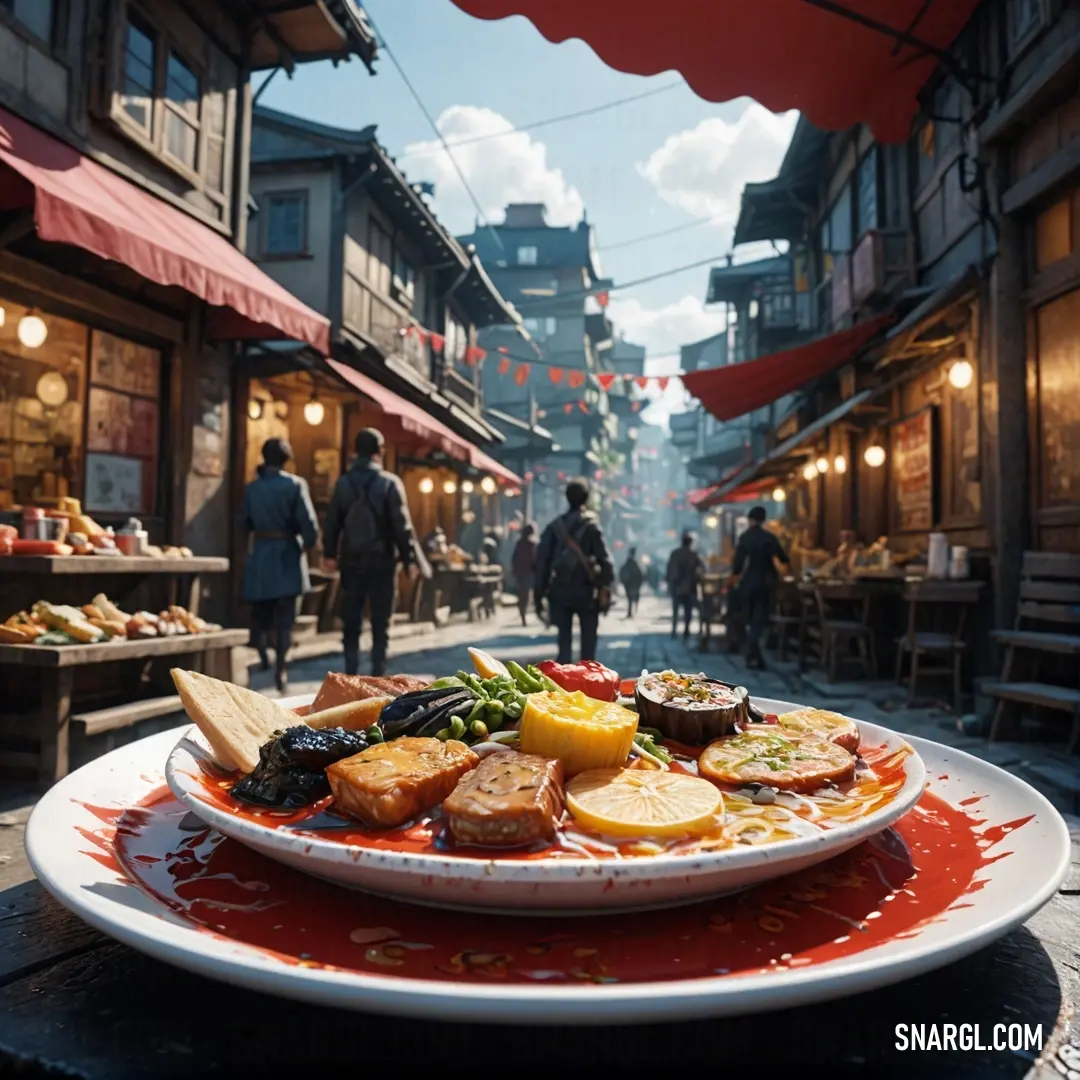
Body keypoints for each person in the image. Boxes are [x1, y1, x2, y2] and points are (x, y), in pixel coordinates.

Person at [323, 428, 429, 677]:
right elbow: (402, 526)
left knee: (352, 619)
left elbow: (332, 522)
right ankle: (378, 670)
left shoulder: (343, 483)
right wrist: (409, 560)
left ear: (355, 452)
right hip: (383, 562)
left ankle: (350, 672)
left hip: (351, 560)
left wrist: (329, 553)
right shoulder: (389, 483)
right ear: (378, 452)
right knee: (381, 620)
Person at [241, 438, 319, 694]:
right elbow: (308, 523)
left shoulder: (252, 489)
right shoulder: (295, 485)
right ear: (287, 459)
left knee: (260, 614)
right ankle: (280, 670)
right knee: (285, 620)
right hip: (287, 554)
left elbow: (243, 523)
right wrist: (309, 543)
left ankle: (263, 656)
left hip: (262, 552)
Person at [535, 478, 614, 663]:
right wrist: (604, 587)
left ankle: (564, 686)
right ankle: (590, 683)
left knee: (564, 646)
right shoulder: (592, 527)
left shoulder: (554, 528)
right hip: (587, 592)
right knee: (588, 649)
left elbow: (542, 563)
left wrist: (539, 595)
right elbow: (606, 562)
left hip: (560, 592)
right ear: (586, 499)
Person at [731, 504, 791, 670]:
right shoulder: (770, 538)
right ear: (763, 520)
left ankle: (752, 651)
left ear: (750, 520)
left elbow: (737, 565)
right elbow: (784, 558)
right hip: (766, 581)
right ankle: (753, 651)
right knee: (760, 619)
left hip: (749, 582)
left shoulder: (745, 538)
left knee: (749, 619)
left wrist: (734, 577)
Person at [666, 531, 703, 641]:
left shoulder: (675, 554)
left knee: (676, 610)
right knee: (688, 610)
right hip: (690, 587)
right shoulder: (693, 555)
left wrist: (670, 583)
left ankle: (674, 630)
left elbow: (670, 570)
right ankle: (686, 629)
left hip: (677, 587)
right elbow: (700, 570)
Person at [511, 522, 538, 627]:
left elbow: (514, 559)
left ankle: (523, 616)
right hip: (529, 572)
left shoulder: (519, 544)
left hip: (521, 573)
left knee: (522, 596)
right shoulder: (532, 545)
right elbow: (535, 559)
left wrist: (514, 571)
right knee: (528, 595)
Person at [618, 546, 644, 618]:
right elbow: (640, 574)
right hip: (630, 583)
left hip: (630, 583)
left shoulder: (630, 563)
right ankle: (631, 611)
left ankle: (631, 611)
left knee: (630, 598)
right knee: (631, 598)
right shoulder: (634, 564)